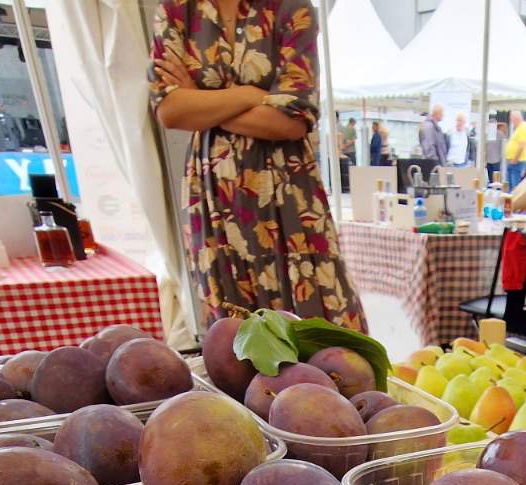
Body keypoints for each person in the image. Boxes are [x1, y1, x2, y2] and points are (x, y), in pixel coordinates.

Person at [151, 0, 366, 329]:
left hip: (288, 193)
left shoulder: (291, 8)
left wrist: (201, 99)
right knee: (233, 331)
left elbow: (293, 120)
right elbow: (171, 111)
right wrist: (251, 94)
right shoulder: (178, 9)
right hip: (214, 198)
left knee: (316, 320)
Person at [504, 110, 526, 189]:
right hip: (513, 161)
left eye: (512, 119)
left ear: (516, 118)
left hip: (518, 161)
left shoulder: (523, 127)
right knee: (510, 185)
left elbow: (521, 146)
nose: (511, 121)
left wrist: (515, 159)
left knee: (515, 186)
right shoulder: (518, 128)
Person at [486, 119, 505, 183]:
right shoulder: (486, 134)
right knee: (491, 179)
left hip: (497, 161)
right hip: (488, 161)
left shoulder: (500, 134)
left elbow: (502, 147)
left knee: (496, 179)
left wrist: (501, 157)